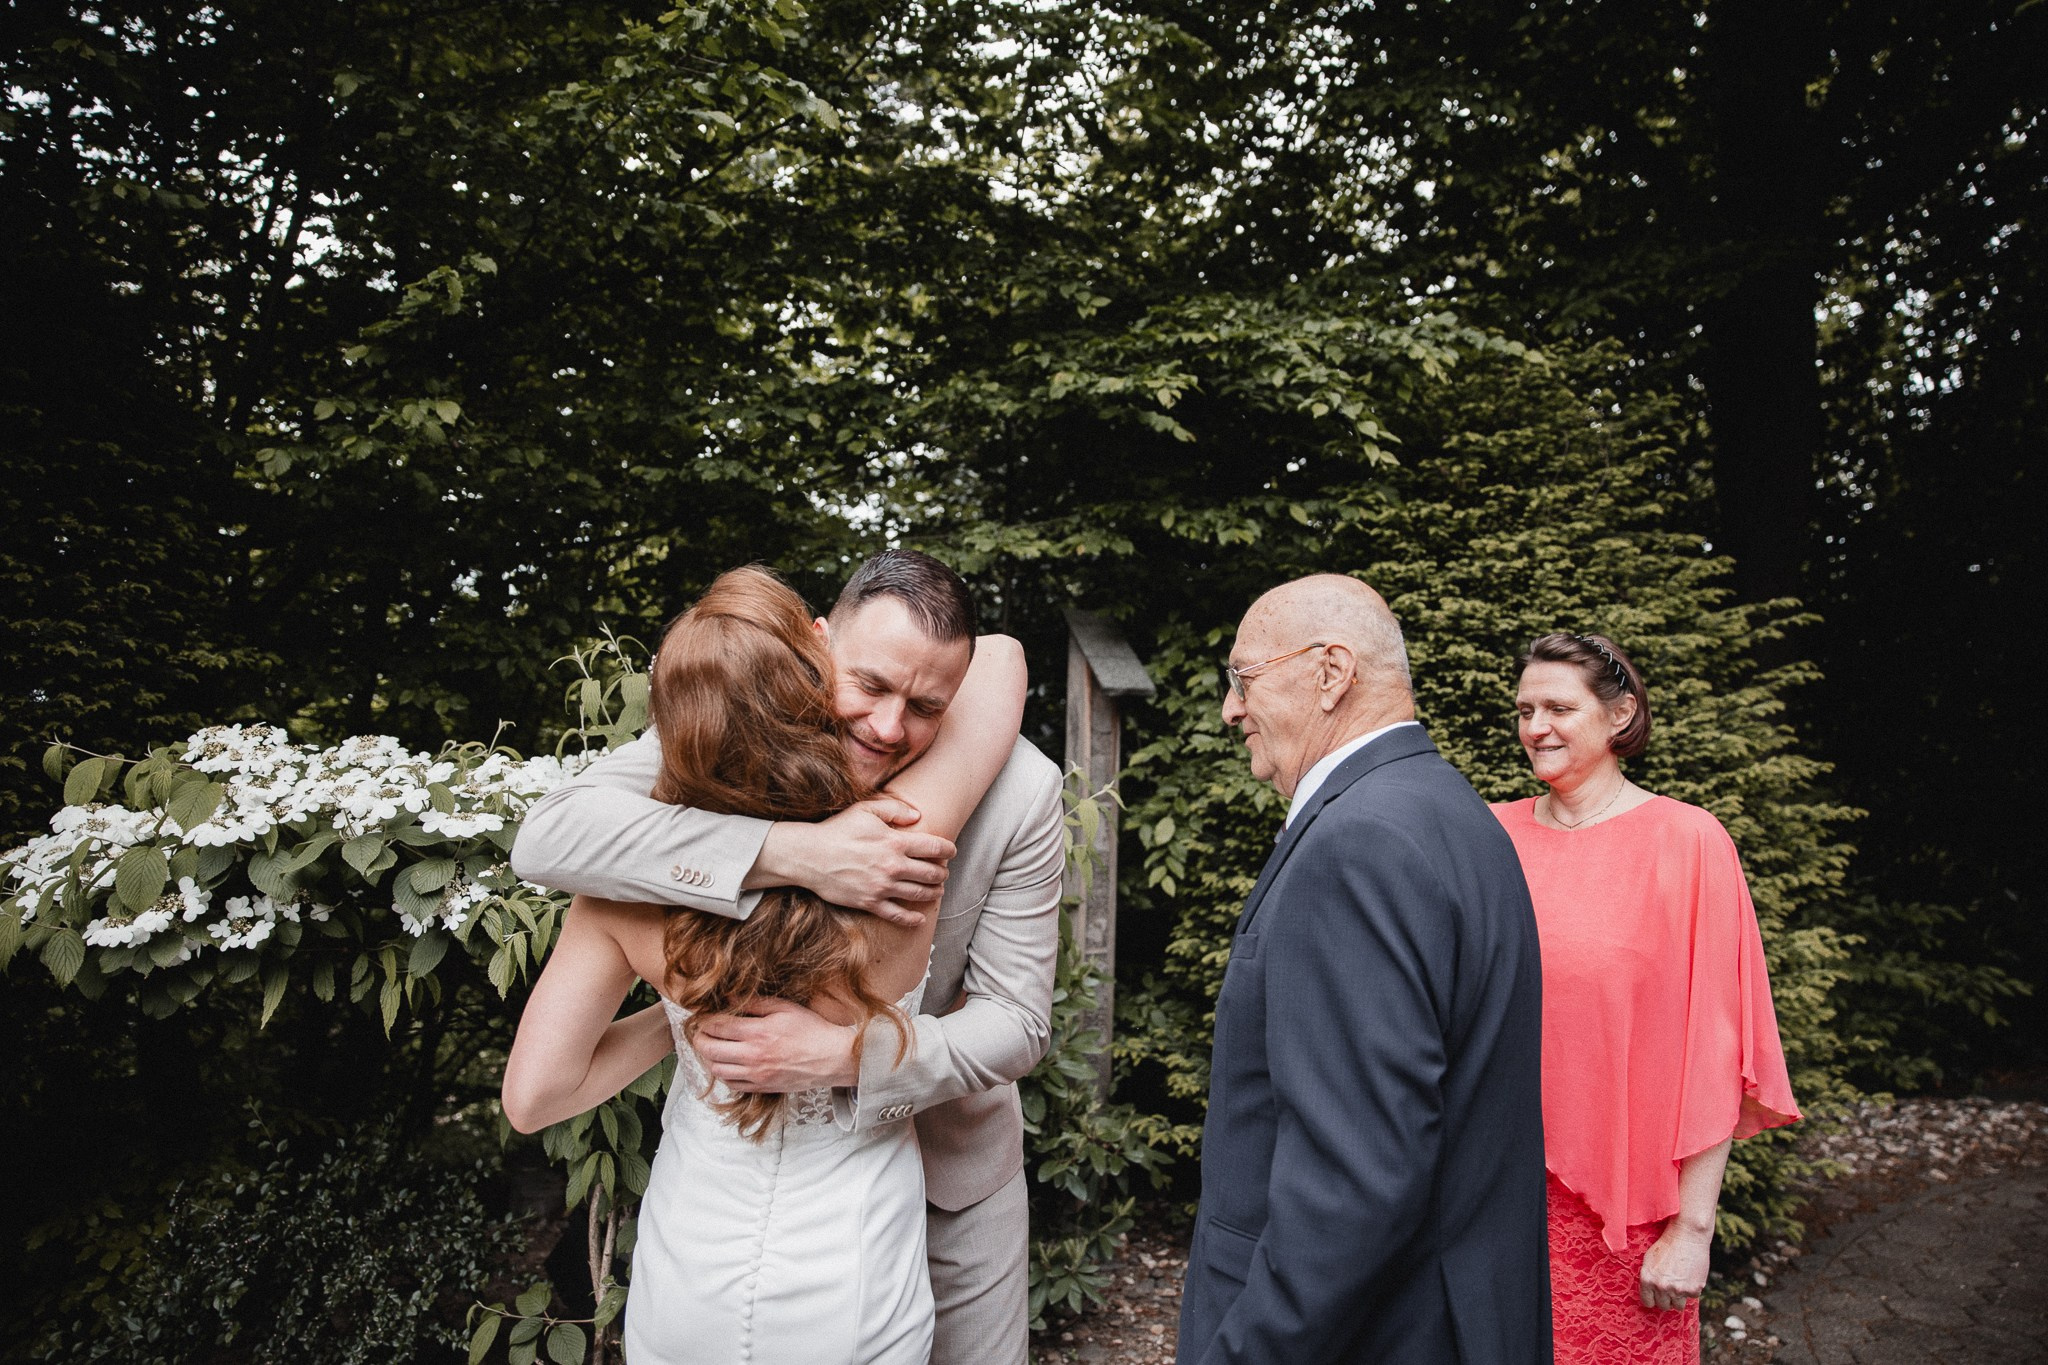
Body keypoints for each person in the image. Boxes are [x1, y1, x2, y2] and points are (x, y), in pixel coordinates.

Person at [508, 550, 1066, 1365]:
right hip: (844, 1247)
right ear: (815, 645)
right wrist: (792, 851)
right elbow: (550, 833)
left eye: (925, 705)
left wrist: (841, 1053)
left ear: (958, 691)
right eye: (869, 686)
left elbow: (1018, 1021)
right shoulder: (721, 751)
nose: (886, 726)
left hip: (953, 1167)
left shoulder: (1018, 786)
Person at [1177, 574, 1552, 1365]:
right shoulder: (1454, 810)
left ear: (1331, 672)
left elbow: (1352, 1187)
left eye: (1242, 678)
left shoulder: (1359, 843)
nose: (1230, 709)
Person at [1493, 632, 1800, 1365]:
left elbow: (1717, 1048)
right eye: (1525, 708)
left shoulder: (1687, 842)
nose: (1538, 727)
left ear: (1620, 713)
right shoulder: (1490, 835)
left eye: (1560, 707)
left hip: (1628, 1223)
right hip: (1493, 1200)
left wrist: (1692, 1231)